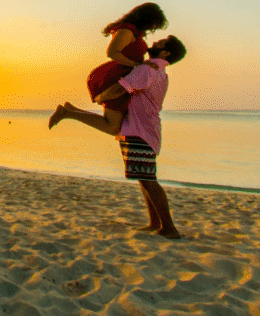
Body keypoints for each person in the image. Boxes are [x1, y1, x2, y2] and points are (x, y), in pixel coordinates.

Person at [53, 35, 188, 239]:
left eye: (161, 42)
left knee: (149, 180)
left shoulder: (147, 70)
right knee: (144, 179)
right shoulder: (157, 70)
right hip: (141, 129)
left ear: (165, 52)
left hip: (140, 131)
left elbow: (119, 88)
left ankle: (169, 228)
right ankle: (155, 223)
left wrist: (100, 97)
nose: (155, 42)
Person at [48, 2, 167, 135]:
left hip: (122, 75)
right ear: (146, 19)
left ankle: (70, 110)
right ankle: (67, 113)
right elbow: (112, 53)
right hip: (114, 76)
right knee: (112, 126)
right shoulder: (127, 30)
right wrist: (137, 65)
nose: (152, 28)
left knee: (114, 123)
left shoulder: (133, 31)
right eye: (153, 24)